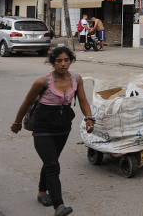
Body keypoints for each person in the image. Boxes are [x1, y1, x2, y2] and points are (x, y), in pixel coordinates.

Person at [10, 46, 95, 216]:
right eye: (59, 61)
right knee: (52, 165)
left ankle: (42, 193)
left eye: (66, 60)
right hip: (42, 127)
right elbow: (27, 103)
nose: (63, 64)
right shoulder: (42, 82)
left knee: (51, 161)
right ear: (52, 63)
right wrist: (17, 122)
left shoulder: (77, 79)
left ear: (71, 61)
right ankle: (59, 205)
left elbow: (83, 101)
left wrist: (89, 118)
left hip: (63, 127)